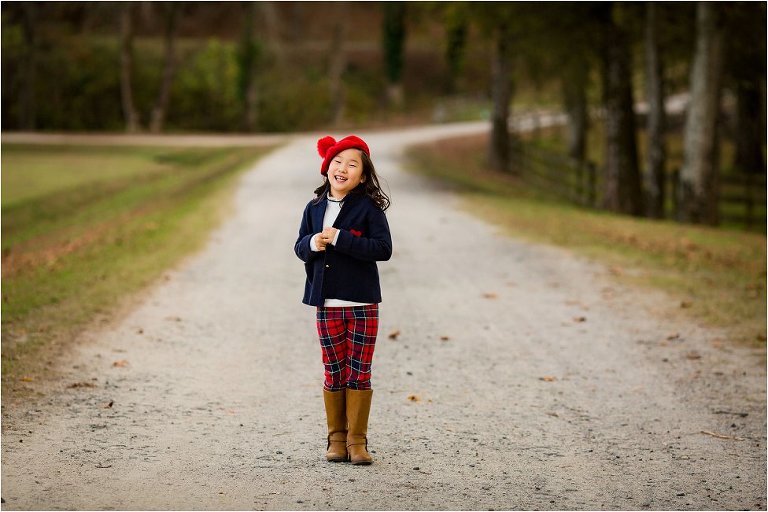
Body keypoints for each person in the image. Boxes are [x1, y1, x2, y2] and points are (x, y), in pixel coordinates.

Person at [293, 135, 392, 465]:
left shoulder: (368, 209)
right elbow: (299, 247)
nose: (343, 168)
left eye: (353, 165)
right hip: (326, 304)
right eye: (338, 162)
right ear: (327, 168)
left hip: (362, 304)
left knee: (359, 371)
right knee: (334, 369)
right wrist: (314, 243)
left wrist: (341, 238)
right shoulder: (314, 208)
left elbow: (383, 249)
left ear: (362, 176)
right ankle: (335, 438)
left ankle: (357, 441)